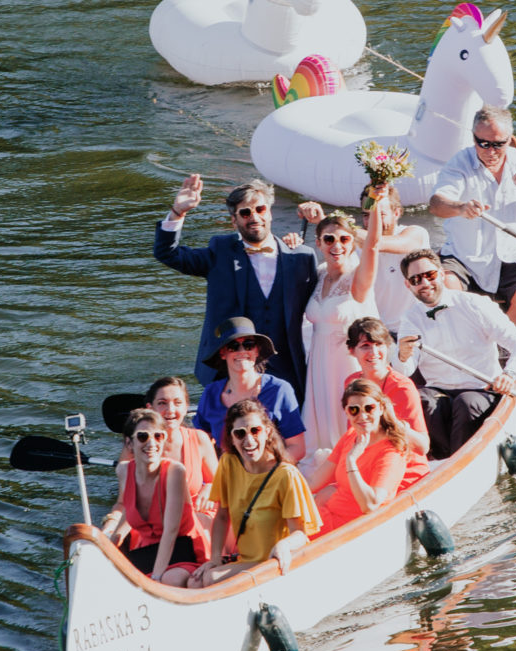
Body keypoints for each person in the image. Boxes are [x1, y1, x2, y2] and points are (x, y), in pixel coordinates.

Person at [153, 175, 317, 397]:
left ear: (269, 212)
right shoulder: (219, 252)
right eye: (245, 213)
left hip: (286, 369)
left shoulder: (302, 258)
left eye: (260, 209)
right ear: (234, 220)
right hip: (228, 370)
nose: (254, 217)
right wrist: (178, 212)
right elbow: (168, 253)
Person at [428, 105, 516, 329]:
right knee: (447, 286)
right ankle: (467, 336)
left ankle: (499, 343)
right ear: (473, 138)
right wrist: (461, 207)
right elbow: (436, 205)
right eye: (483, 143)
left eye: (498, 145)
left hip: (513, 257)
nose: (490, 151)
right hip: (466, 256)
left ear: (509, 140)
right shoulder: (458, 164)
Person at [395, 247, 516, 459]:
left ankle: (460, 461)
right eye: (416, 280)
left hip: (481, 388)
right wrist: (402, 356)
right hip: (438, 391)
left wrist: (509, 375)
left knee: (466, 404)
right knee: (423, 400)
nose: (424, 283)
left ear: (441, 274)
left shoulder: (475, 305)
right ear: (408, 285)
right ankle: (442, 462)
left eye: (430, 275)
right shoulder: (410, 319)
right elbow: (405, 369)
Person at [191, 401, 322, 586]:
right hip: (245, 561)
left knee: (210, 579)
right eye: (240, 433)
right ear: (232, 437)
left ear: (267, 431)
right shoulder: (228, 463)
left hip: (276, 561)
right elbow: (221, 516)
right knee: (194, 582)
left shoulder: (285, 474)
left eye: (255, 431)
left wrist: (283, 545)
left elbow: (300, 534)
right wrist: (214, 559)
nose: (249, 440)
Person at [300, 200, 382, 456]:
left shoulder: (359, 278)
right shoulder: (320, 272)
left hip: (347, 364)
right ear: (319, 243)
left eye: (345, 239)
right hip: (318, 362)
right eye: (329, 239)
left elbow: (373, 246)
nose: (337, 246)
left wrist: (375, 201)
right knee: (320, 426)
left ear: (352, 242)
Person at [301, 183, 431, 341]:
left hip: (411, 333)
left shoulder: (416, 234)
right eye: (366, 215)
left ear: (396, 212)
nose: (371, 222)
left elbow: (375, 244)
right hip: (372, 336)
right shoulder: (352, 243)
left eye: (379, 214)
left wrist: (326, 220)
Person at [306, 377, 429, 529]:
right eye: (354, 410)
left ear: (381, 408)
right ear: (346, 412)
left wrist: (351, 461)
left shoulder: (391, 451)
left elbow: (370, 505)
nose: (362, 416)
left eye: (369, 408)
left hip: (347, 527)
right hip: (325, 516)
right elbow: (313, 482)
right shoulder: (351, 435)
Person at [101, 407, 203, 586]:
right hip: (146, 552)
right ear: (129, 443)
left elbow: (171, 531)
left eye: (158, 437)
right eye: (143, 437)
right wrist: (111, 542)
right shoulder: (124, 471)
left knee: (170, 579)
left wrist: (154, 580)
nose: (151, 443)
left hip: (183, 550)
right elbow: (129, 510)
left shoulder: (174, 472)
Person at [192, 319, 306, 462]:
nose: (242, 351)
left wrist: (268, 471)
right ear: (223, 353)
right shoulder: (211, 393)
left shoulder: (279, 390)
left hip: (270, 471)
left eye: (248, 345)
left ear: (257, 350)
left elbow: (297, 447)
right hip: (227, 472)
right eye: (234, 346)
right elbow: (200, 442)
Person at [146, 374, 218, 558]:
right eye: (162, 403)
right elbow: (126, 500)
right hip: (156, 522)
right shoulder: (138, 446)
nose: (170, 409)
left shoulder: (200, 439)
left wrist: (210, 487)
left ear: (186, 407)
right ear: (150, 408)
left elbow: (221, 483)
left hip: (198, 517)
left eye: (177, 402)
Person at [345, 315, 429, 454]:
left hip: (400, 457)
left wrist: (391, 422)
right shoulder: (352, 382)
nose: (374, 352)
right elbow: (354, 432)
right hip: (365, 455)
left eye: (379, 345)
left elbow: (423, 447)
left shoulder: (402, 387)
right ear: (352, 351)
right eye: (365, 346)